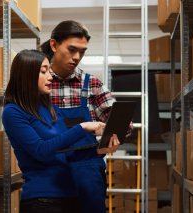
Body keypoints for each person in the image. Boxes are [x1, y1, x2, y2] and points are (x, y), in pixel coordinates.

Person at [2, 49, 118, 213]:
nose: (50, 76)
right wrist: (82, 127)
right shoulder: (13, 112)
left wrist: (100, 151)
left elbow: (66, 152)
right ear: (26, 76)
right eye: (44, 71)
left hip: (70, 195)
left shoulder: (50, 108)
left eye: (49, 70)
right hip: (42, 200)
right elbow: (41, 150)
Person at [40, 20, 132, 213]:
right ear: (54, 45)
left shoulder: (92, 84)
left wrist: (112, 139)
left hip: (87, 172)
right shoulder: (39, 84)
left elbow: (125, 125)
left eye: (82, 51)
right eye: (72, 49)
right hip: (48, 172)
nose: (77, 57)